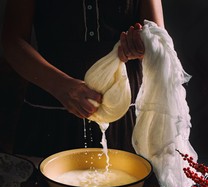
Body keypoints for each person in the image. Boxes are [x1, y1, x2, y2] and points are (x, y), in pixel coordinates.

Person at [2, 0, 164, 157]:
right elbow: (12, 41)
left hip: (126, 116)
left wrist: (144, 44)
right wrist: (60, 86)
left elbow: (160, 42)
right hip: (50, 112)